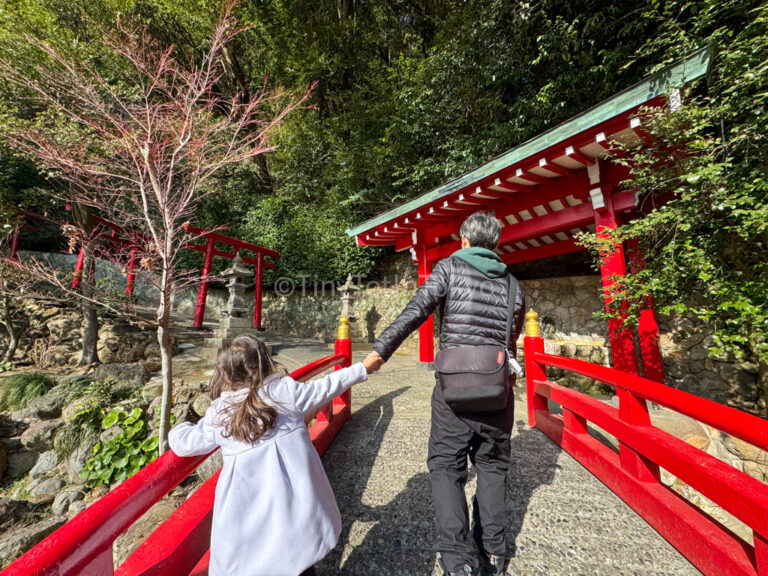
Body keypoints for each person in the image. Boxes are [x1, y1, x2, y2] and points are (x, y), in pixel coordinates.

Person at [365, 211, 524, 576]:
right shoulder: (514, 285)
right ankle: (495, 552)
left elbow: (415, 311)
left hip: (454, 391)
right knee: (493, 466)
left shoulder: (449, 269)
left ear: (464, 241)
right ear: (496, 245)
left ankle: (456, 559)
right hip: (497, 392)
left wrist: (380, 352)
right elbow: (510, 342)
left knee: (446, 467)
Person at [169, 333, 382, 576]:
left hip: (248, 518)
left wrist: (177, 429)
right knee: (300, 557)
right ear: (263, 361)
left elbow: (186, 443)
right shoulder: (284, 391)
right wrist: (362, 368)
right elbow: (328, 385)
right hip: (296, 514)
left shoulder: (220, 411)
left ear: (225, 372)